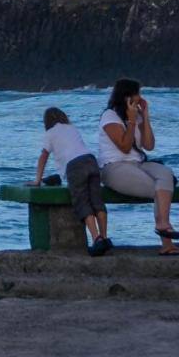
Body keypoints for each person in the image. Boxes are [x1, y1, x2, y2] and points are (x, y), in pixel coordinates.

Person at [99, 79, 179, 255]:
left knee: (165, 174)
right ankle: (166, 240)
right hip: (114, 167)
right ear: (127, 96)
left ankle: (163, 226)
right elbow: (124, 146)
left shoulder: (137, 115)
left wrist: (145, 116)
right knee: (158, 190)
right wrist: (130, 121)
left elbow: (149, 145)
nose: (140, 97)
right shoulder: (109, 116)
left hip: (138, 163)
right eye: (137, 93)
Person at [33, 107, 111, 257]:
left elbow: (43, 156)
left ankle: (96, 239)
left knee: (83, 203)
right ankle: (104, 237)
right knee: (97, 201)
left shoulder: (50, 133)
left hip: (75, 167)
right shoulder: (72, 128)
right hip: (90, 160)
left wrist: (37, 180)